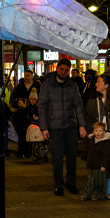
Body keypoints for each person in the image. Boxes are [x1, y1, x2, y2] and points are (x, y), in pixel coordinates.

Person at [39, 58, 88, 196]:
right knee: (57, 157)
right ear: (57, 68)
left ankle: (71, 183)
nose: (64, 72)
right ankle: (58, 185)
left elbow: (78, 106)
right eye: (62, 69)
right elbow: (42, 107)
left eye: (66, 70)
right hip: (54, 127)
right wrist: (44, 128)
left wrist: (82, 125)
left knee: (72, 157)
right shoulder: (47, 86)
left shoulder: (72, 86)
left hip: (70, 126)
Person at [80, 122, 110, 201]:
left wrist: (103, 165)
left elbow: (106, 155)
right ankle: (87, 194)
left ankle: (100, 195)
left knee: (100, 181)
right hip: (92, 165)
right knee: (90, 181)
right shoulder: (92, 140)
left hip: (100, 167)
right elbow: (87, 145)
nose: (98, 133)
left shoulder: (106, 143)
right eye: (96, 131)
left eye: (100, 131)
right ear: (93, 132)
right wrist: (84, 137)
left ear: (104, 132)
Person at [10, 69, 40, 159]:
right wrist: (18, 103)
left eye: (28, 75)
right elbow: (13, 99)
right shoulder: (19, 87)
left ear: (32, 76)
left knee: (30, 134)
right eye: (25, 75)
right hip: (20, 115)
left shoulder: (37, 86)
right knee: (22, 135)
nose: (26, 77)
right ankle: (21, 152)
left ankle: (29, 153)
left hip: (32, 114)